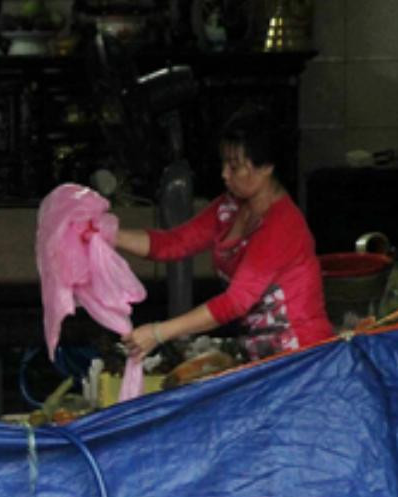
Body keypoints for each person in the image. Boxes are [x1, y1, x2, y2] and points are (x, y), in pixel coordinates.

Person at [114, 105, 332, 363]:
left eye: (235, 166)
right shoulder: (230, 207)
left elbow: (235, 303)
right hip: (264, 355)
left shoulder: (282, 225)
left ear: (266, 167)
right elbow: (173, 243)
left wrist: (159, 333)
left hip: (302, 357)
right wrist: (108, 235)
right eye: (224, 163)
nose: (224, 175)